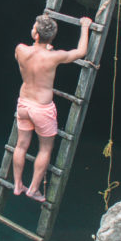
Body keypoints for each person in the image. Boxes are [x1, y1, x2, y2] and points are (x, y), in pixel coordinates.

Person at [12, 13, 91, 202]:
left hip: (24, 103)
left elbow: (30, 58)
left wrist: (42, 47)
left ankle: (17, 185)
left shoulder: (20, 49)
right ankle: (33, 189)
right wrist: (85, 27)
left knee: (21, 145)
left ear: (36, 35)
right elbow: (81, 52)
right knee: (45, 149)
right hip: (41, 108)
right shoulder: (54, 57)